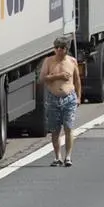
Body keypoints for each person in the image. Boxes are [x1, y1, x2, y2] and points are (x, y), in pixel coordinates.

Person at [41, 37, 81, 167]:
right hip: (53, 98)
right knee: (55, 129)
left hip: (69, 98)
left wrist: (79, 97)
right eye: (56, 47)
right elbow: (42, 79)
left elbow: (77, 80)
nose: (59, 50)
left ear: (66, 49)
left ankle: (68, 157)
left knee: (68, 127)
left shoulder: (72, 61)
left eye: (62, 48)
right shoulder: (48, 61)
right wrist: (57, 76)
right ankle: (57, 156)